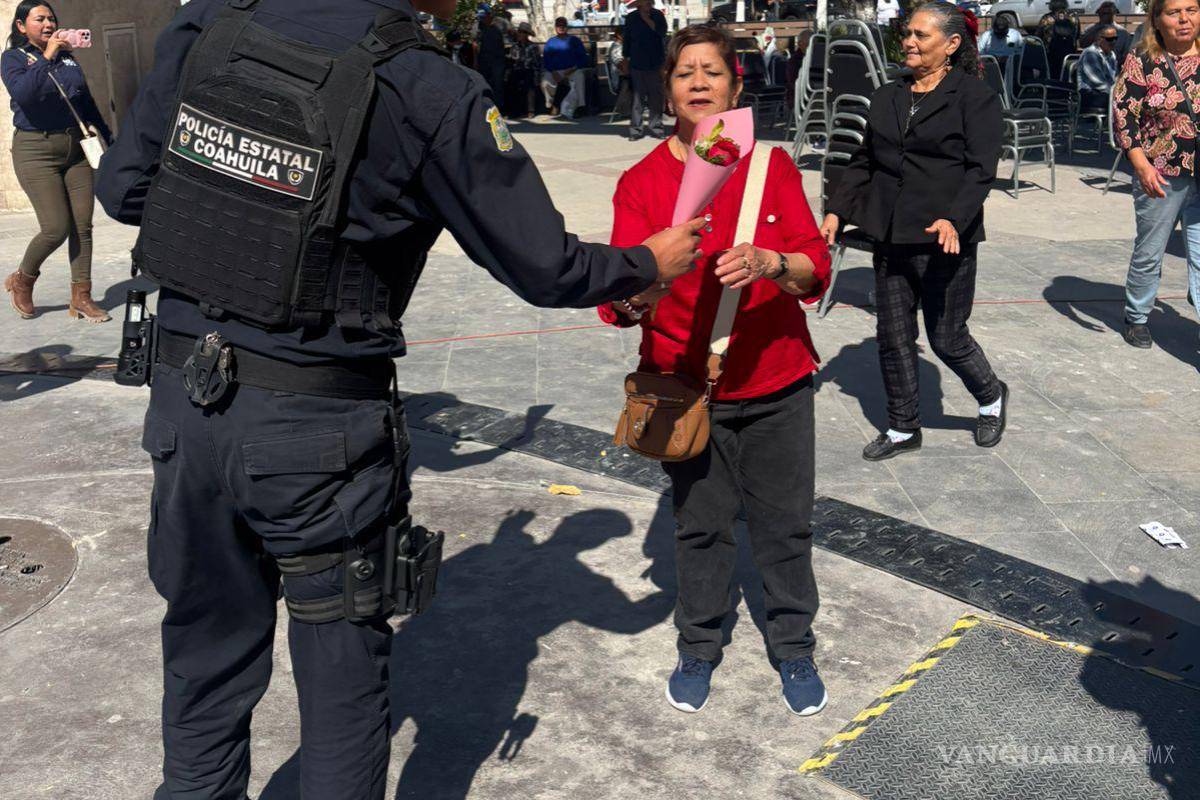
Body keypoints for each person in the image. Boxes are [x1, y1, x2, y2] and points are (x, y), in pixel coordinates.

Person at [94, 0, 706, 797]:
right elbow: (543, 266)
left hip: (183, 399)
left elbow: (124, 188)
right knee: (343, 681)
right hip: (315, 427)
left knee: (204, 652)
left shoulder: (211, 20)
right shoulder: (428, 84)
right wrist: (643, 262)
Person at [598, 24, 833, 719]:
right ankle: (699, 644)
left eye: (712, 72)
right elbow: (621, 298)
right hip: (681, 387)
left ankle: (793, 646)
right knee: (699, 527)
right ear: (667, 91)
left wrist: (769, 261)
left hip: (776, 380)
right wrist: (647, 282)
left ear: (735, 84)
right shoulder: (641, 182)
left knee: (785, 524)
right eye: (683, 74)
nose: (698, 83)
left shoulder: (771, 166)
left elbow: (812, 266)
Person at [821, 1, 1009, 460]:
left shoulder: (973, 96)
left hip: (946, 234)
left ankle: (991, 396)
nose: (909, 41)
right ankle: (904, 427)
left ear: (950, 45)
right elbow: (866, 158)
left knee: (947, 337)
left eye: (921, 35)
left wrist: (955, 218)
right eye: (908, 33)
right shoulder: (888, 95)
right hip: (891, 232)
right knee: (893, 334)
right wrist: (837, 210)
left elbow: (981, 169)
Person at [1, 1, 111, 322]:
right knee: (55, 227)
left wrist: (109, 138)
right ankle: (23, 279)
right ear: (22, 26)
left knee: (83, 226)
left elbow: (86, 103)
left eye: (51, 18)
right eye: (40, 19)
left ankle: (82, 298)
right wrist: (47, 56)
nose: (48, 23)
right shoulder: (13, 59)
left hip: (75, 148)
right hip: (35, 150)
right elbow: (25, 94)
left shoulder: (68, 58)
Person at [1112, 0, 1200, 349]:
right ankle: (1137, 316)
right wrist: (1142, 165)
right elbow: (1124, 117)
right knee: (1151, 250)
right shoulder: (1143, 60)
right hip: (1160, 173)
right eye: (1174, 12)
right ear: (1157, 20)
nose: (1184, 19)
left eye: (1192, 10)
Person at [624, 0, 667, 139]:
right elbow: (627, 40)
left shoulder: (658, 15)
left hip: (655, 62)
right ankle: (636, 130)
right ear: (639, 4)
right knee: (638, 99)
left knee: (656, 98)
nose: (648, 3)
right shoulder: (631, 18)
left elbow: (662, 33)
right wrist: (626, 58)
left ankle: (656, 128)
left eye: (649, 1)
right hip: (637, 62)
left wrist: (647, 19)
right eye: (644, 1)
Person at [541, 16, 589, 117]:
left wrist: (573, 68)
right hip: (555, 71)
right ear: (555, 27)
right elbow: (546, 60)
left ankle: (581, 106)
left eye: (563, 25)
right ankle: (552, 104)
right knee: (545, 82)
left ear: (567, 27)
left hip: (572, 70)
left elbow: (583, 58)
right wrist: (553, 72)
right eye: (558, 25)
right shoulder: (550, 42)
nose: (561, 27)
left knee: (580, 76)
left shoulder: (575, 40)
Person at [1077, 24, 1119, 111]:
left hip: (1105, 92)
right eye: (1110, 39)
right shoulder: (1091, 53)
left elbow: (1114, 78)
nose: (1114, 42)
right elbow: (1098, 82)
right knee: (1121, 102)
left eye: (1115, 38)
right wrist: (1115, 93)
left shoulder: (1112, 54)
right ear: (1099, 39)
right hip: (1090, 94)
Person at [1081, 1, 1133, 66]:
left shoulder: (1123, 33)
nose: (1105, 15)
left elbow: (1128, 55)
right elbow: (1082, 44)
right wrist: (1097, 30)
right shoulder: (1090, 29)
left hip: (1115, 68)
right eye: (1103, 13)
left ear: (1114, 13)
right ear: (1098, 12)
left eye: (1108, 13)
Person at [1039, 0, 1081, 77]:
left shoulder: (1046, 19)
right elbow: (1077, 35)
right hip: (1069, 54)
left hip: (1051, 55)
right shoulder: (1074, 18)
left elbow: (1038, 36)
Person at [509, 21, 543, 118]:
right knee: (513, 83)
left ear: (527, 34)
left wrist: (537, 74)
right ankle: (515, 110)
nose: (520, 34)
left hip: (530, 70)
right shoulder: (515, 46)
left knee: (529, 83)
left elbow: (537, 63)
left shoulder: (533, 46)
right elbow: (512, 60)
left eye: (522, 32)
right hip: (517, 70)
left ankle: (530, 110)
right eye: (519, 32)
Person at [475, 7, 506, 105]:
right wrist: (475, 61)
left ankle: (499, 108)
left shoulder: (500, 24)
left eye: (484, 17)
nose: (482, 20)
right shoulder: (478, 27)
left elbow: (511, 34)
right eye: (481, 18)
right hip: (484, 60)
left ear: (489, 15)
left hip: (498, 61)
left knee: (498, 85)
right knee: (484, 84)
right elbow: (475, 44)